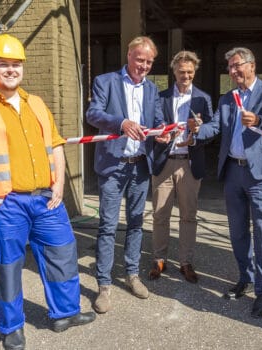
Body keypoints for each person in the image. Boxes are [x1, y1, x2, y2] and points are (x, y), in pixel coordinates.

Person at [0, 34, 95, 350]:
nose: (11, 70)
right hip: (3, 203)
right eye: (3, 64)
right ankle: (11, 327)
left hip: (46, 198)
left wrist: (58, 185)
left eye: (16, 64)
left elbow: (56, 146)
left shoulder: (38, 104)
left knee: (62, 255)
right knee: (7, 266)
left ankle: (65, 314)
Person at [189, 47, 262, 318]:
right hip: (233, 172)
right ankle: (246, 277)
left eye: (237, 65)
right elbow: (215, 127)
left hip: (261, 174)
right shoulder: (227, 98)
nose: (232, 71)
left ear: (251, 65)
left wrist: (258, 119)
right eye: (229, 67)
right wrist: (196, 131)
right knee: (238, 231)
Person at [85, 36, 166, 314]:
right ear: (129, 56)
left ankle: (132, 274)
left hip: (140, 164)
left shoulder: (153, 89)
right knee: (108, 225)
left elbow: (157, 121)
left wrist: (163, 133)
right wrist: (121, 123)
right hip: (113, 164)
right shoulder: (105, 81)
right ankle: (104, 285)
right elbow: (93, 114)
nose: (144, 65)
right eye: (140, 59)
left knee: (135, 222)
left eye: (149, 61)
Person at [149, 50, 213, 283]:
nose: (185, 75)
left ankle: (185, 262)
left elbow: (211, 132)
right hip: (165, 161)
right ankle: (159, 259)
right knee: (159, 214)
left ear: (194, 72)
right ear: (173, 71)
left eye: (189, 72)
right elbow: (153, 125)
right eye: (181, 71)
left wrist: (198, 133)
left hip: (189, 163)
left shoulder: (203, 99)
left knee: (188, 216)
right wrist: (161, 133)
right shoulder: (161, 97)